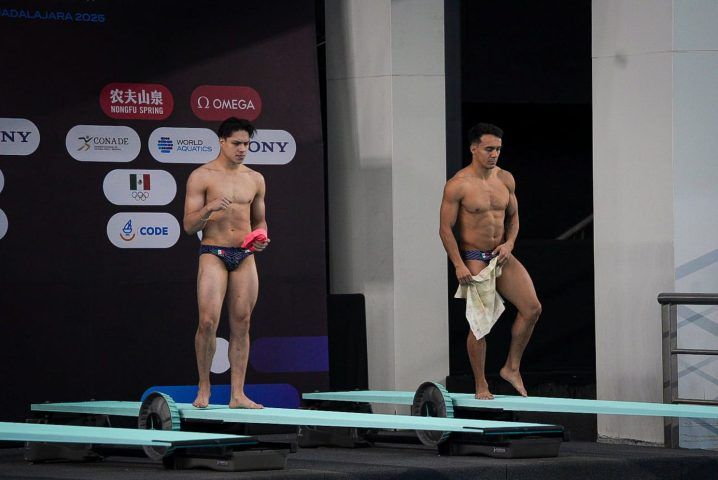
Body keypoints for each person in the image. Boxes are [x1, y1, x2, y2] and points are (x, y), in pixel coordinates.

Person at [439, 123, 541, 400]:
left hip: (501, 254)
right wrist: (458, 264)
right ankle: (481, 384)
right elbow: (445, 229)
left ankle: (511, 368)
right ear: (474, 149)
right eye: (488, 149)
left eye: (498, 149)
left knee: (532, 308)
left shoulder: (505, 179)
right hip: (474, 257)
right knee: (479, 324)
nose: (494, 154)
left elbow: (514, 218)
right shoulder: (458, 185)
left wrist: (509, 244)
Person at [183, 117, 269, 409]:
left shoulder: (255, 179)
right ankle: (204, 386)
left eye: (246, 144)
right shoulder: (202, 176)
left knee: (242, 323)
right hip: (213, 252)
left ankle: (238, 395)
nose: (242, 149)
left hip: (244, 255)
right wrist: (208, 208)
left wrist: (261, 237)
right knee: (208, 321)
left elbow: (260, 221)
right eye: (236, 143)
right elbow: (189, 226)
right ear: (221, 141)